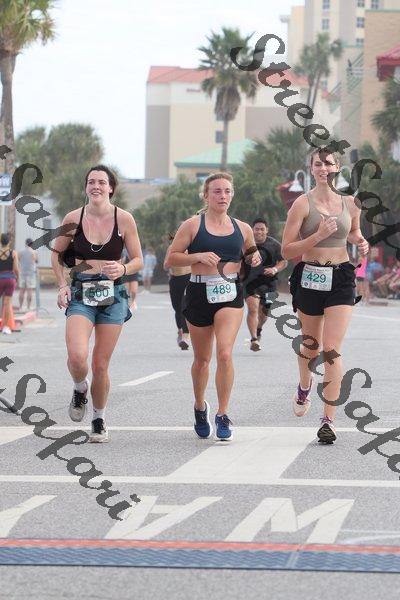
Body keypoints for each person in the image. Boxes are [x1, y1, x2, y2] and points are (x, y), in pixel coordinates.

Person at [165, 172, 261, 441]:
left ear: (232, 195)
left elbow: (251, 251)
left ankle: (223, 414)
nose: (223, 196)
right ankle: (200, 406)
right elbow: (170, 259)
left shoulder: (243, 228)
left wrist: (254, 258)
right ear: (206, 196)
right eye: (217, 191)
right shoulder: (192, 225)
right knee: (202, 360)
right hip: (199, 291)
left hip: (229, 292)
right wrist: (197, 256)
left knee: (225, 354)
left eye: (227, 191)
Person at [282, 148, 369, 444]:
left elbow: (353, 232)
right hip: (309, 276)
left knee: (331, 349)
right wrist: (317, 236)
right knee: (310, 347)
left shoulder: (350, 203)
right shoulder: (301, 204)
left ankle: (328, 420)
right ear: (311, 168)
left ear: (337, 168)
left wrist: (361, 241)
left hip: (341, 277)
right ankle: (304, 385)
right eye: (318, 163)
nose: (323, 168)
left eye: (328, 163)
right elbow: (287, 250)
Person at [51, 165, 143, 443]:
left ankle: (99, 419)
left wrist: (123, 269)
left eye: (102, 182)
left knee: (100, 364)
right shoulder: (73, 218)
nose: (96, 186)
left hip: (113, 294)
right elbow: (56, 255)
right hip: (81, 292)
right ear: (86, 187)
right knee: (77, 356)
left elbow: (137, 259)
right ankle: (80, 387)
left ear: (111, 188)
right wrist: (62, 285)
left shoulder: (124, 219)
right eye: (91, 182)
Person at [243, 218, 287, 351]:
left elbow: (284, 261)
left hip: (269, 284)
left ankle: (258, 329)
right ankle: (254, 339)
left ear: (267, 230)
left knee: (264, 313)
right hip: (250, 283)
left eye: (262, 229)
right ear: (252, 230)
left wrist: (274, 269)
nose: (259, 232)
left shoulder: (274, 244)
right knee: (253, 309)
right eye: (256, 229)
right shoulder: (246, 244)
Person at [163, 242, 191, 350]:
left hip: (189, 278)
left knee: (184, 307)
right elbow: (165, 266)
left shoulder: (193, 246)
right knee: (177, 308)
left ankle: (185, 336)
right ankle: (180, 331)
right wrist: (171, 261)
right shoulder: (172, 247)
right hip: (175, 280)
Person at [0, 233, 19, 334]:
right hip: (10, 280)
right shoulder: (13, 253)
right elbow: (16, 268)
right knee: (7, 304)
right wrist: (17, 278)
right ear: (9, 242)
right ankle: (6, 327)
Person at [18, 238, 38, 311]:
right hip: (31, 273)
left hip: (22, 273)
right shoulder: (34, 252)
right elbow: (36, 261)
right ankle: (28, 307)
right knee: (30, 291)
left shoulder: (21, 252)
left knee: (21, 290)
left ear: (25, 243)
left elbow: (18, 260)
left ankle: (20, 307)